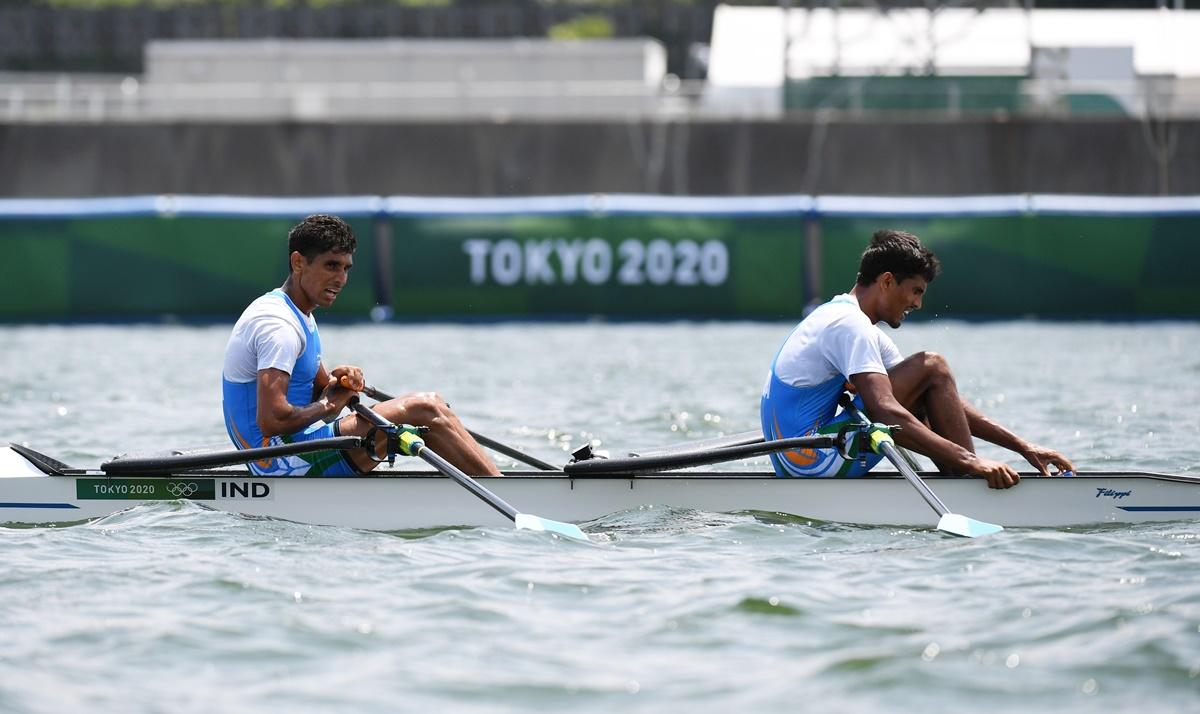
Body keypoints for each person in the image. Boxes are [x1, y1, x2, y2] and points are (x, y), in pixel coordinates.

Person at [760, 229, 1074, 489]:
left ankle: (963, 477)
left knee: (930, 377)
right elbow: (887, 410)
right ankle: (967, 483)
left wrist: (1023, 447)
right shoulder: (850, 327)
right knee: (933, 364)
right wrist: (970, 460)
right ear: (886, 282)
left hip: (804, 458)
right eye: (915, 291)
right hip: (812, 463)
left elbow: (939, 398)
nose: (918, 304)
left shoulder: (843, 317)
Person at [221, 214, 499, 477]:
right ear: (298, 263)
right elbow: (273, 420)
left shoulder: (298, 314)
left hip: (294, 448)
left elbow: (320, 391)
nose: (341, 278)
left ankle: (498, 483)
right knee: (423, 409)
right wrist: (331, 404)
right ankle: (506, 494)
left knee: (433, 403)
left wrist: (341, 381)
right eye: (331, 265)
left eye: (346, 268)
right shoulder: (277, 326)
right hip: (279, 461)